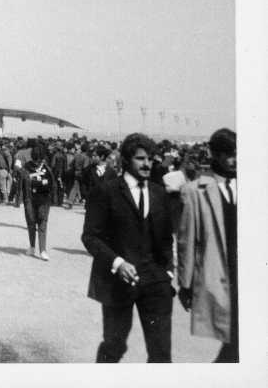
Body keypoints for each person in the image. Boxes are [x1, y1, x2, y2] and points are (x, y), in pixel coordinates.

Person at [81, 133, 174, 363]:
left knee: (161, 352)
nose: (147, 164)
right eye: (140, 159)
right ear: (125, 160)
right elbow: (90, 237)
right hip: (117, 282)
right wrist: (117, 263)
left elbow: (165, 239)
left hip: (155, 283)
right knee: (114, 347)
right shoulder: (106, 191)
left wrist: (168, 272)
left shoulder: (159, 193)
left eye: (151, 159)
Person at [177, 128, 238, 362]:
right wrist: (186, 284)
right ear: (215, 155)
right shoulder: (195, 190)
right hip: (218, 275)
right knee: (236, 341)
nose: (235, 159)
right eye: (230, 154)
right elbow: (186, 241)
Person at [22, 144, 56, 260]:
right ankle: (32, 247)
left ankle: (42, 250)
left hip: (43, 200)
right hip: (30, 198)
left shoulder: (46, 167)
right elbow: (25, 181)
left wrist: (38, 182)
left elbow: (51, 184)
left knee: (42, 223)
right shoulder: (27, 166)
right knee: (31, 223)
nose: (37, 161)